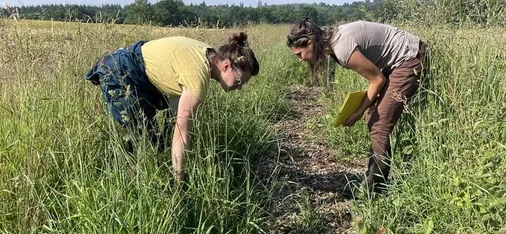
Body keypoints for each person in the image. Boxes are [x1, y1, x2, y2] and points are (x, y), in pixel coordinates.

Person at [86, 33, 260, 183]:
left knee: (159, 139)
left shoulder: (208, 54)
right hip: (121, 72)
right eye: (239, 81)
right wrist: (180, 181)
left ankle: (152, 161)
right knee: (144, 140)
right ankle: (117, 173)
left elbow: (177, 111)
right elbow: (182, 134)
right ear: (226, 66)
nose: (238, 88)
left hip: (139, 70)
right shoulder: (197, 79)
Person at [286, 18, 429, 195]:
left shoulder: (342, 48)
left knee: (380, 124)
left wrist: (358, 112)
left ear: (310, 43)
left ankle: (374, 190)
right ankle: (374, 180)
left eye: (300, 54)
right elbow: (375, 76)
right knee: (374, 117)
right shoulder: (333, 41)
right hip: (396, 62)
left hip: (410, 57)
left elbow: (377, 79)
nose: (300, 60)